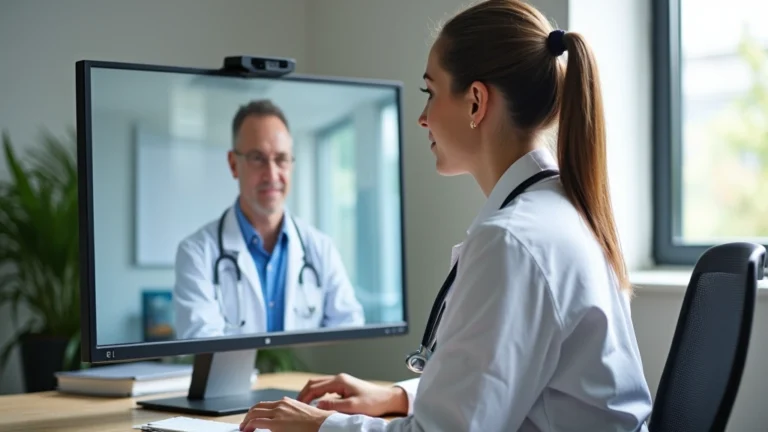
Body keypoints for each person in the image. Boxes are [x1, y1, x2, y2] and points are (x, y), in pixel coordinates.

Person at [239, 1, 653, 431]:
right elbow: (516, 381)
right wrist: (400, 396)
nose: (422, 119)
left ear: (476, 102)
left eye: (430, 93)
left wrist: (318, 425)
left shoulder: (512, 241)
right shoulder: (560, 211)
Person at [174, 99, 365, 339]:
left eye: (281, 159)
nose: (272, 174)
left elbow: (349, 332)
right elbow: (202, 345)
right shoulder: (197, 253)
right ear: (233, 164)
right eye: (257, 158)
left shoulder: (321, 248)